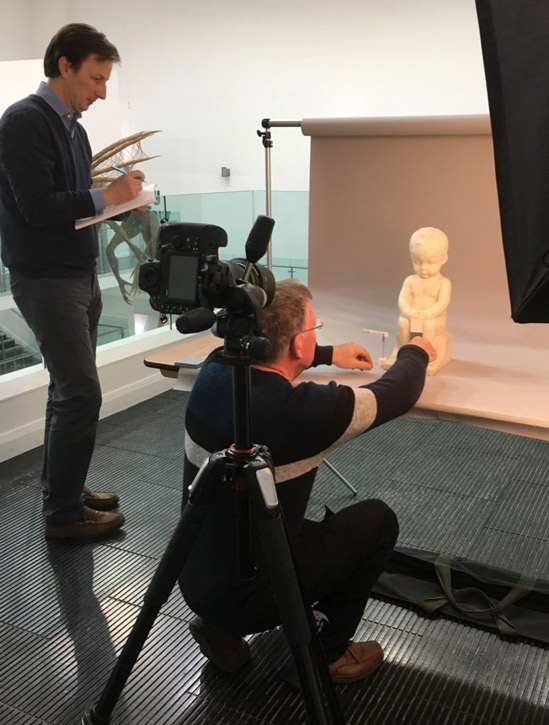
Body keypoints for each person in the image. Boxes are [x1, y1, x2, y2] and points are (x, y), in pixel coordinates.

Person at [179, 279, 436, 685]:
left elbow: (272, 350)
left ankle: (218, 628)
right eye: (313, 331)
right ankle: (327, 656)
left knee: (248, 517)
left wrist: (327, 353)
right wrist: (416, 350)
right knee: (376, 522)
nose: (316, 337)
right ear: (297, 343)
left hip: (192, 577)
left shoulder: (212, 371)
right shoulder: (303, 412)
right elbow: (398, 392)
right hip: (256, 593)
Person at [0, 24, 145, 539]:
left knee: (66, 392)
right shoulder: (22, 122)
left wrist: (118, 201)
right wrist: (106, 196)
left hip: (76, 274)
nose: (102, 91)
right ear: (64, 65)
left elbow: (73, 208)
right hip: (45, 278)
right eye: (95, 78)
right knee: (81, 394)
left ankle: (62, 486)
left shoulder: (74, 130)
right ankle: (62, 513)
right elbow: (37, 208)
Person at [380, 227, 452, 375]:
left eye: (430, 263)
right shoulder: (410, 280)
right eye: (417, 262)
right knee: (403, 322)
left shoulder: (443, 283)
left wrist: (427, 313)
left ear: (443, 258)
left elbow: (442, 303)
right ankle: (403, 354)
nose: (423, 268)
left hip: (433, 319)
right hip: (412, 316)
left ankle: (426, 356)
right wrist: (408, 312)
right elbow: (403, 299)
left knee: (428, 325)